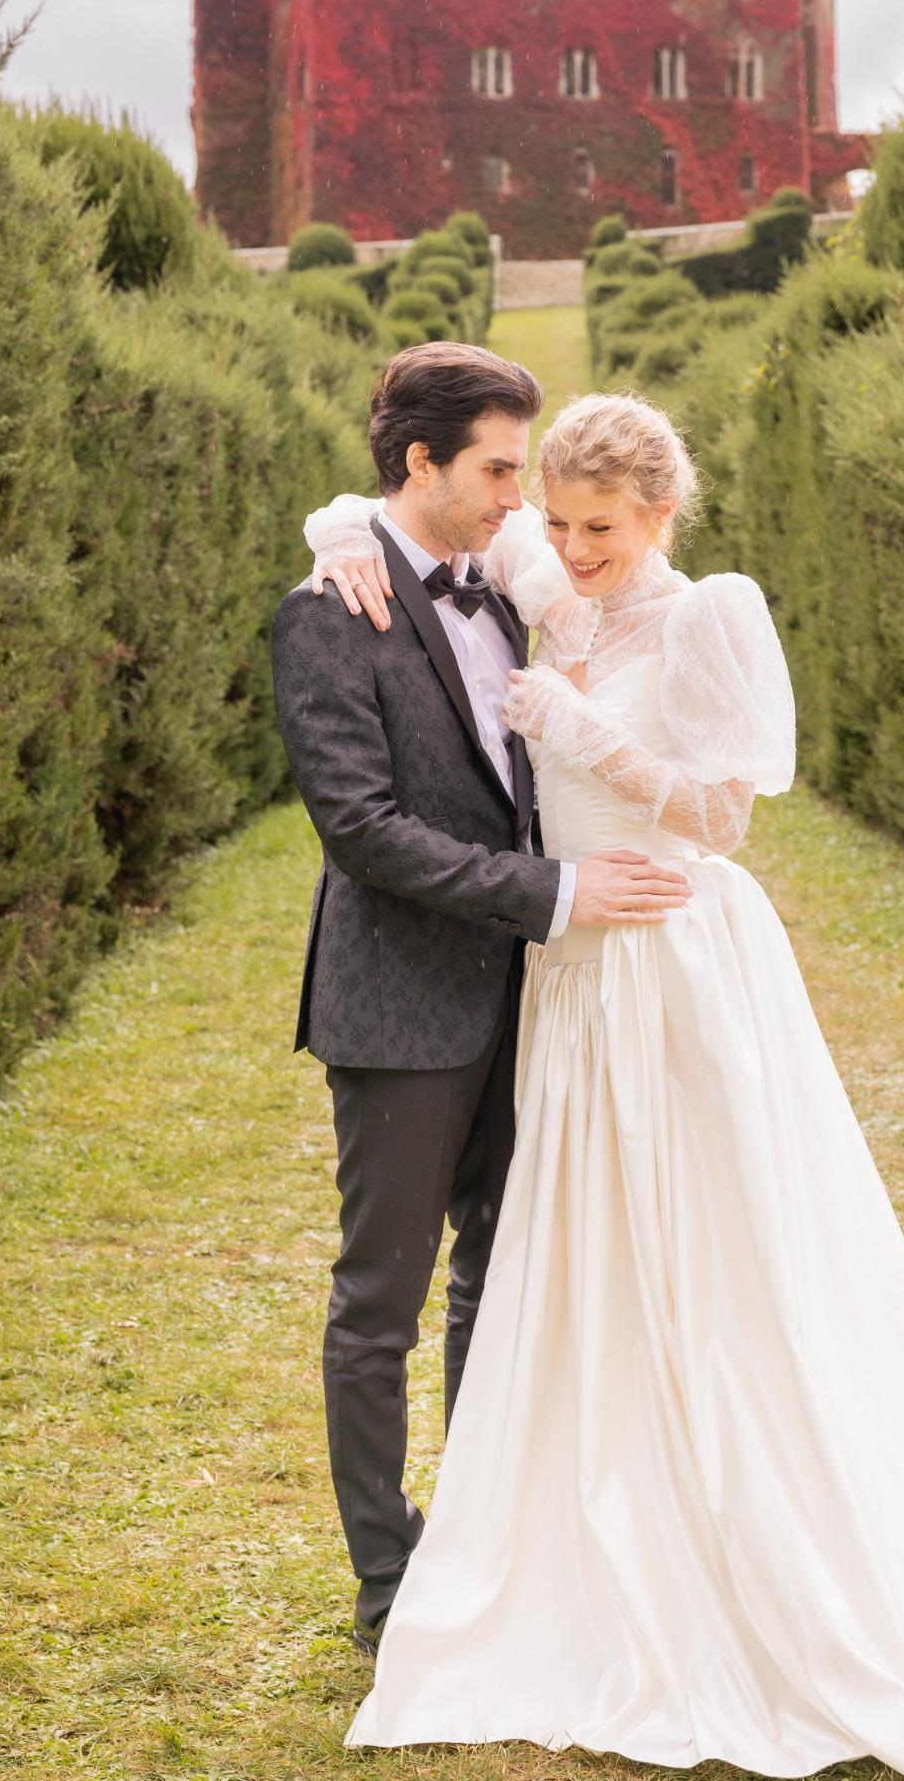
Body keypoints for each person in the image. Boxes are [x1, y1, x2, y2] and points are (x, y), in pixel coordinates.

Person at [301, 390, 904, 1781]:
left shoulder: (707, 614)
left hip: (678, 968)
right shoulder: (540, 573)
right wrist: (335, 534)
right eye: (557, 525)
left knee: (716, 1266)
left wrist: (581, 729)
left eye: (604, 532)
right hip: (572, 985)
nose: (575, 553)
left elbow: (728, 812)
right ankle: (573, 1539)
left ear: (663, 515)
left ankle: (756, 1544)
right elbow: (396, 510)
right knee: (575, 1273)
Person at [270, 346, 692, 1658]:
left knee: (502, 1282)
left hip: (531, 1007)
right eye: (500, 468)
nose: (524, 495)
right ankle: (390, 1584)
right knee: (380, 1298)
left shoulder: (508, 578)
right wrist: (556, 894)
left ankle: (486, 1541)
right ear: (419, 465)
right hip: (400, 1012)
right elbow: (363, 830)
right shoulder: (328, 611)